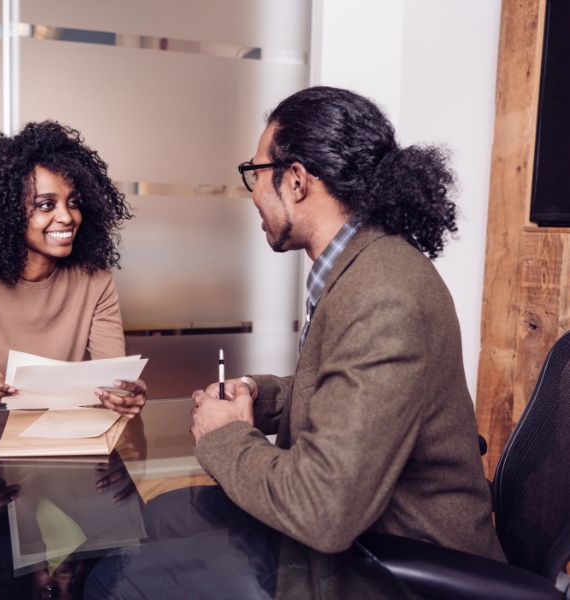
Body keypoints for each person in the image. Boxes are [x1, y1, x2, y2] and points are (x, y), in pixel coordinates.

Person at [86, 87, 504, 598]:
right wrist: (259, 398)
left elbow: (323, 511)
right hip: (358, 534)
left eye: (256, 175)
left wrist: (224, 435)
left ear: (299, 180)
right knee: (158, 516)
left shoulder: (384, 295)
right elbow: (348, 393)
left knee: (119, 580)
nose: (253, 193)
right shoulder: (360, 266)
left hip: (390, 566)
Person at [0, 121, 146, 417]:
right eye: (45, 205)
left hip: (66, 437)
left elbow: (113, 377)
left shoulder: (96, 277)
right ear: (6, 213)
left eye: (73, 202)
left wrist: (125, 394)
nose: (67, 217)